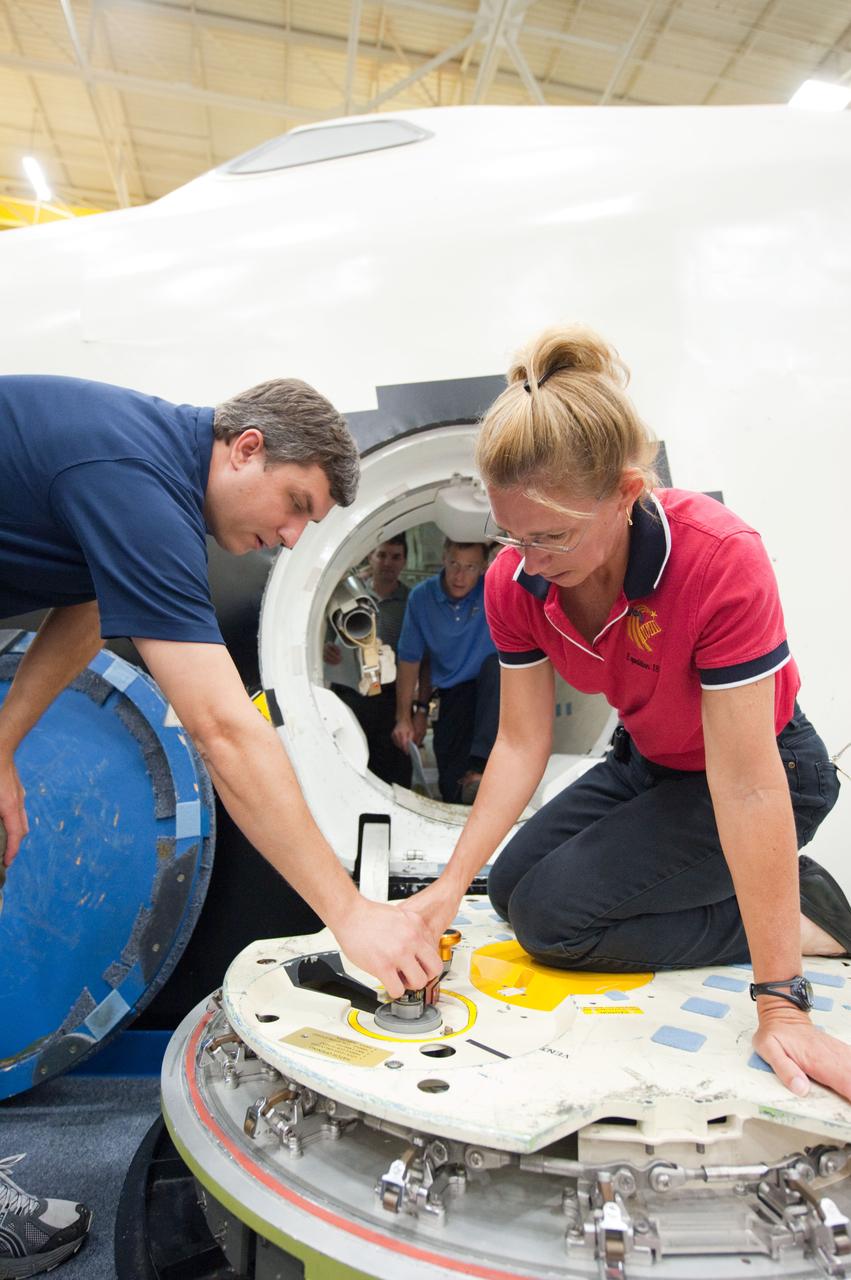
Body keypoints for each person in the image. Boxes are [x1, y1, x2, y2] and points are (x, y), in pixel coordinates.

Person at [403, 325, 851, 1103]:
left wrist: (781, 1000)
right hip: (648, 763)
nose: (527, 560)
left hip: (762, 770)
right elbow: (518, 743)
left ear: (625, 493)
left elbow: (746, 784)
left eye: (551, 536)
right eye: (510, 534)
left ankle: (808, 913)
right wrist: (446, 888)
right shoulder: (516, 581)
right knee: (508, 888)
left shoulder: (717, 559)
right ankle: (747, 889)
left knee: (554, 923)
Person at [393, 539, 499, 804]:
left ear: (484, 567)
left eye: (470, 567)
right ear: (443, 559)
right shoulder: (422, 597)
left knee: (496, 666)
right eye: (454, 564)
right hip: (450, 695)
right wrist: (404, 717)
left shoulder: (493, 591)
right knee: (451, 786)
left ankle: (479, 768)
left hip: (492, 692)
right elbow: (410, 660)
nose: (459, 576)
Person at [325, 536, 413, 787]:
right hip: (352, 693)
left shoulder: (409, 601)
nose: (388, 563)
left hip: (389, 697)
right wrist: (326, 650)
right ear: (370, 557)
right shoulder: (346, 595)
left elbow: (416, 655)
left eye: (395, 557)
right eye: (382, 555)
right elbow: (325, 637)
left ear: (404, 561)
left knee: (392, 769)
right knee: (350, 762)